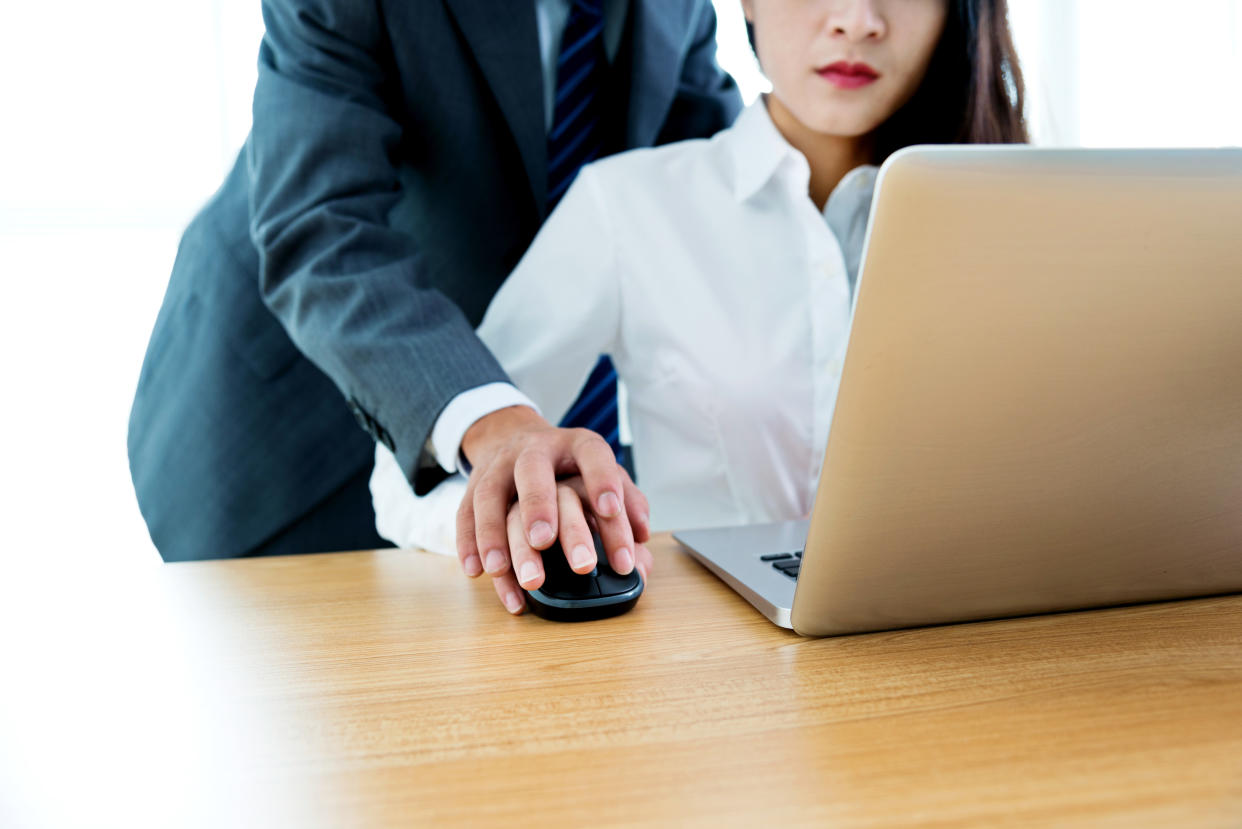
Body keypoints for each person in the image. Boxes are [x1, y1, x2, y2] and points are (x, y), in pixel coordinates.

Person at [371, 0, 1028, 614]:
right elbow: (404, 482)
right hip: (710, 672)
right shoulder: (631, 206)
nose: (856, 20)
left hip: (958, 652)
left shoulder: (1021, 213)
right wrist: (530, 509)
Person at [127, 1, 742, 576]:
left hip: (534, 448)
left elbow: (709, 181)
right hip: (293, 432)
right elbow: (322, 226)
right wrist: (499, 426)